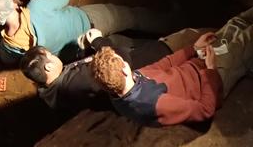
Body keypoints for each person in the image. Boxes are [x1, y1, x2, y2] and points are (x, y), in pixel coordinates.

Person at [90, 0, 253, 126]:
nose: (125, 60)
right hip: (214, 77)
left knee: (234, 25)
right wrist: (210, 71)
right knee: (249, 39)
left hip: (198, 63)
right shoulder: (153, 104)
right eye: (121, 60)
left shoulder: (124, 86)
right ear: (124, 71)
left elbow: (165, 64)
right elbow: (204, 110)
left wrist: (193, 49)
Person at [0, 0, 173, 65]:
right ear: (13, 2)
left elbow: (6, 59)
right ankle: (174, 24)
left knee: (127, 46)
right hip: (91, 19)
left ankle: (167, 48)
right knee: (134, 17)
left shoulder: (13, 47)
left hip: (84, 49)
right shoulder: (36, 7)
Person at [21, 29, 174, 111]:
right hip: (149, 64)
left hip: (139, 64)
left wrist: (85, 53)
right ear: (48, 67)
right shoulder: (76, 83)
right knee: (184, 41)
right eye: (50, 56)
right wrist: (98, 41)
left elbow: (81, 70)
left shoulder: (51, 87)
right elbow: (119, 64)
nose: (54, 56)